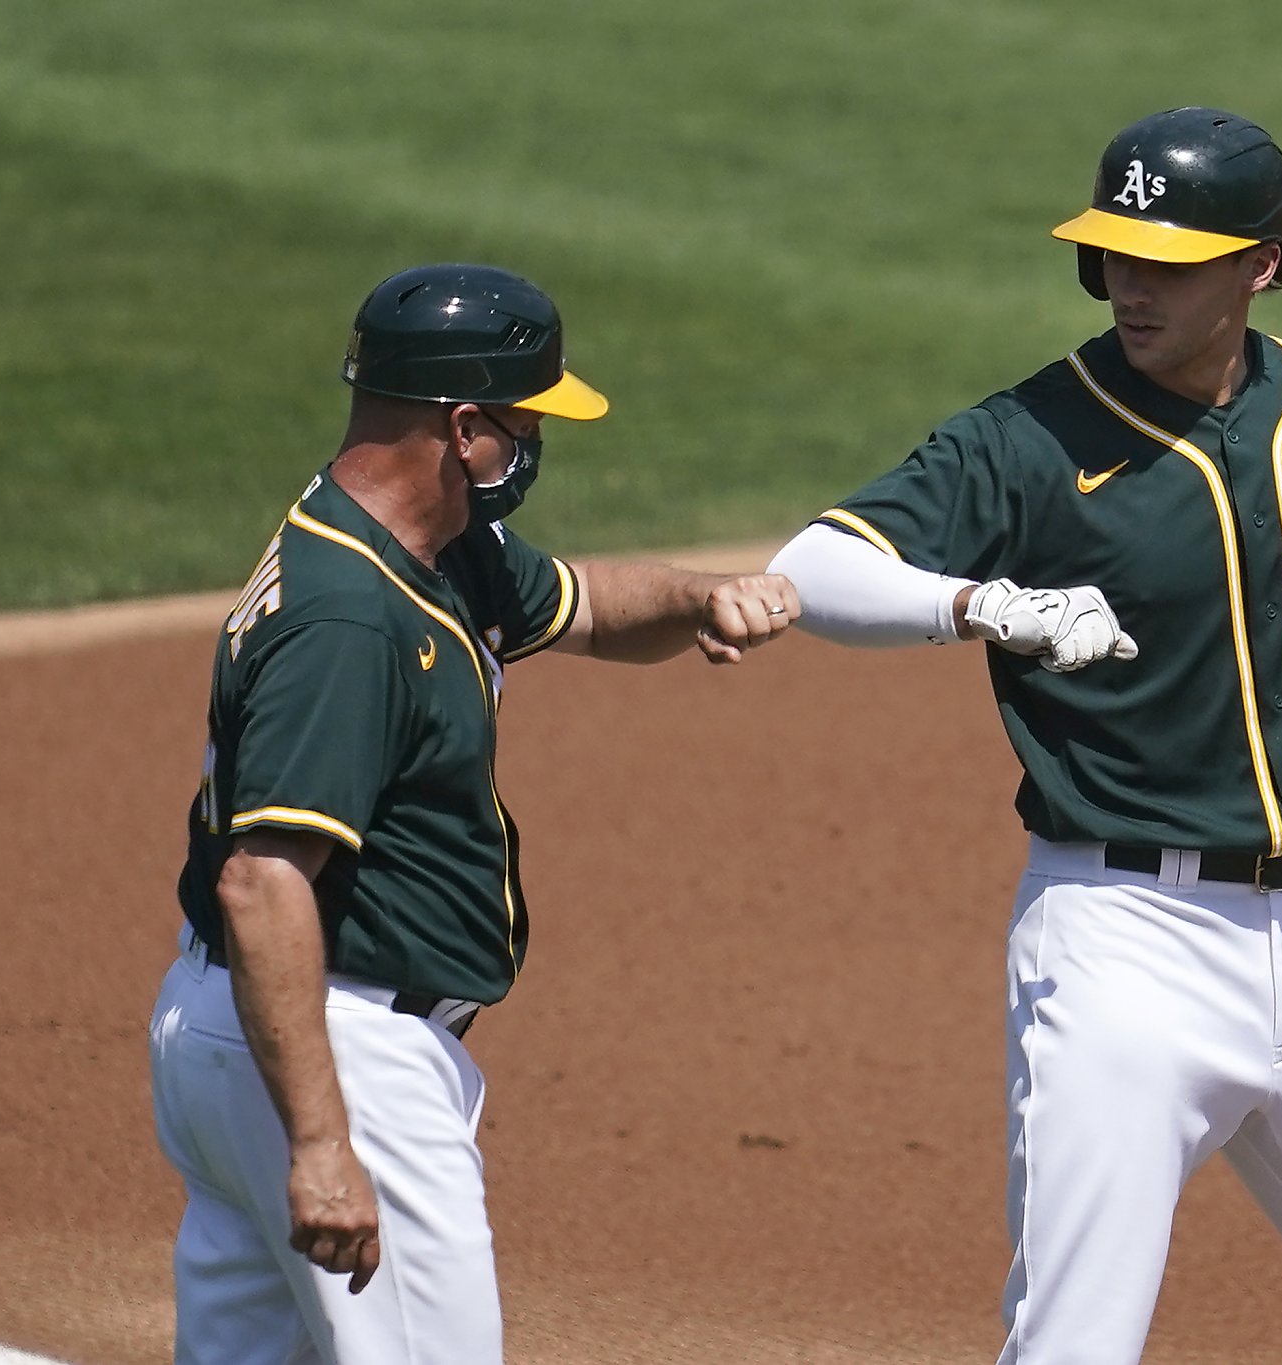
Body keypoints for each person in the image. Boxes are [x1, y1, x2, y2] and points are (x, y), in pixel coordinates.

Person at [769, 107, 1282, 1365]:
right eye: (1112, 253)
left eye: (1167, 259)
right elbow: (810, 569)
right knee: (1074, 1344)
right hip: (1126, 950)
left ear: (1259, 265)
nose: (1129, 283)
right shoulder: (1029, 436)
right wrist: (980, 604)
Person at [146, 262, 799, 1364]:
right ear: (461, 427)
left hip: (241, 1032)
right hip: (333, 1044)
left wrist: (698, 598)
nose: (535, 443)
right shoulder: (349, 622)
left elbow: (587, 603)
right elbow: (261, 879)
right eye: (523, 419)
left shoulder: (426, 550)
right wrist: (321, 1142)